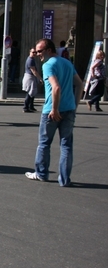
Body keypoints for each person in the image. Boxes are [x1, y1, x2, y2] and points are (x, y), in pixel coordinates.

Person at [25, 38, 83, 187]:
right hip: (69, 109)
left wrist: (55, 109)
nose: (38, 54)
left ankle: (41, 173)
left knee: (44, 143)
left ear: (49, 50)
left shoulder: (48, 65)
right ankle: (64, 179)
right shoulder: (67, 63)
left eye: (40, 51)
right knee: (66, 145)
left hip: (51, 111)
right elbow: (79, 84)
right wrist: (74, 106)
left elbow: (56, 88)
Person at [22, 48, 42, 113]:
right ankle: (26, 107)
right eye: (33, 52)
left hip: (31, 77)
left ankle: (31, 106)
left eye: (35, 52)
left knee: (32, 92)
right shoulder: (30, 60)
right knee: (30, 92)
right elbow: (33, 71)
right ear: (30, 52)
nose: (34, 54)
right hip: (30, 77)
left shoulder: (32, 59)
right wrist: (40, 78)